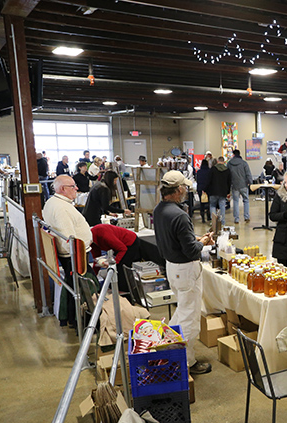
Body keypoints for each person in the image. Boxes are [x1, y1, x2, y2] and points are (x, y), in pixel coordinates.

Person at [153, 170, 214, 375]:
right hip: (186, 269)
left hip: (172, 266)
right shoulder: (180, 215)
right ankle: (185, 362)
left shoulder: (159, 210)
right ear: (178, 190)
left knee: (182, 310)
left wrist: (194, 239)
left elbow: (175, 241)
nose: (186, 191)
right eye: (185, 188)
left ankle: (168, 348)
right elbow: (191, 251)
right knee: (189, 318)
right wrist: (203, 242)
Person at [41, 175, 93, 328]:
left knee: (73, 288)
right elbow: (69, 238)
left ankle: (73, 319)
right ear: (62, 189)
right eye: (73, 186)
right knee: (83, 288)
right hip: (74, 255)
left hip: (72, 254)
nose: (76, 188)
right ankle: (79, 322)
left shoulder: (53, 202)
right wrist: (77, 256)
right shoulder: (62, 208)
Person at [90, 224, 148, 293]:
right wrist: (93, 276)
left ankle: (125, 292)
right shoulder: (92, 242)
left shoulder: (104, 235)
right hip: (120, 245)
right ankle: (115, 288)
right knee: (115, 268)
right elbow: (96, 259)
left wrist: (113, 263)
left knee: (121, 267)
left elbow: (122, 249)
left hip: (130, 242)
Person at [227, 149, 253, 224]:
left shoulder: (229, 163)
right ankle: (246, 217)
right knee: (246, 200)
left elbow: (228, 175)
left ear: (233, 155)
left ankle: (236, 219)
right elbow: (248, 173)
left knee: (235, 201)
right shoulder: (244, 163)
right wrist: (250, 183)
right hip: (244, 185)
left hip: (234, 185)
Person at [207, 156, 231, 225]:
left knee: (212, 205)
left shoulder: (213, 169)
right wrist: (228, 192)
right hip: (223, 191)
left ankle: (214, 222)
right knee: (222, 206)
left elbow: (209, 180)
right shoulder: (227, 170)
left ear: (218, 161)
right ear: (223, 162)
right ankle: (222, 222)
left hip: (213, 191)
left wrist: (207, 190)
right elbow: (229, 182)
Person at [195, 159, 211, 223]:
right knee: (209, 203)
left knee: (202, 203)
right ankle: (208, 216)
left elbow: (197, 180)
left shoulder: (198, 172)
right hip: (208, 189)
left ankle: (202, 218)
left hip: (200, 189)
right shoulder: (209, 171)